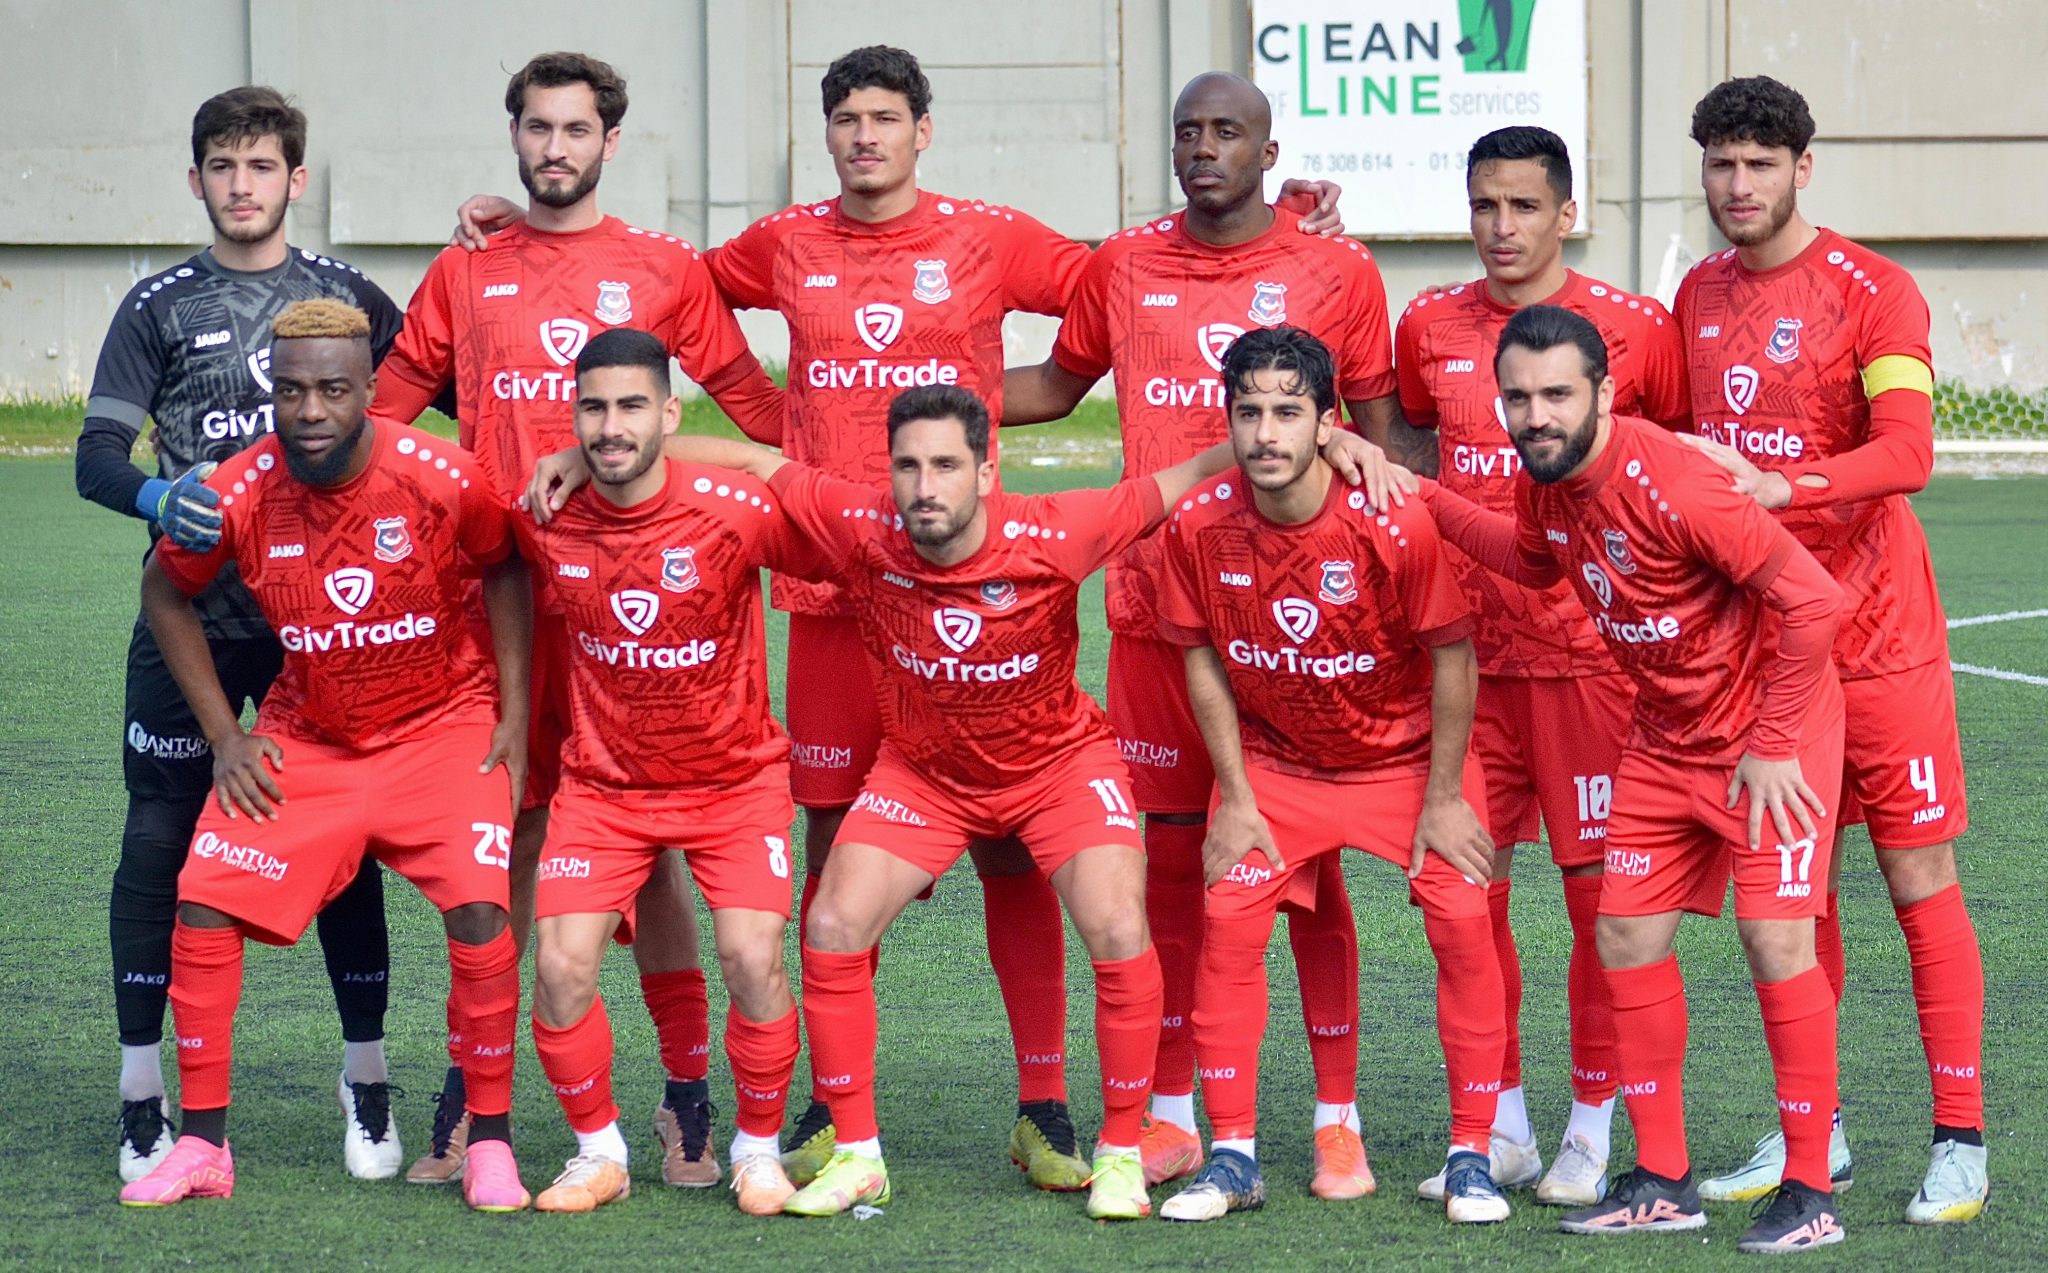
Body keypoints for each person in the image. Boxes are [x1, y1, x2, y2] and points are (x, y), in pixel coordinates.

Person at [479, 45, 1346, 1191]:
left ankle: (1042, 1102)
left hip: (970, 575)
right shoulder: (783, 242)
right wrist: (534, 233)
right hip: (837, 578)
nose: (864, 137)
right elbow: (661, 283)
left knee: (1012, 844)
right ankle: (833, 1108)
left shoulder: (990, 237)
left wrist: (1274, 232)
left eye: (885, 117)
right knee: (833, 849)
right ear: (826, 133)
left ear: (921, 131)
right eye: (845, 118)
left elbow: (1129, 277)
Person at [372, 51, 777, 1187]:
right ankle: (476, 1092)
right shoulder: (467, 267)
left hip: (640, 613)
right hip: (494, 612)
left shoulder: (661, 266)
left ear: (610, 141)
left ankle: (686, 1094)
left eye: (576, 129)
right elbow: (387, 418)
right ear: (514, 136)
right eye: (538, 128)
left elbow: (756, 411)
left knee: (654, 850)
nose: (555, 148)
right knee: (499, 844)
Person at [999, 72, 1403, 1193]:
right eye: (1188, 131)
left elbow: (1381, 432)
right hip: (1153, 609)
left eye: (1227, 132)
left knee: (1308, 867)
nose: (1204, 148)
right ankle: (1173, 1110)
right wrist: (918, 393)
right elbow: (1055, 384)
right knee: (1174, 861)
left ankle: (1335, 1116)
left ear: (1269, 153)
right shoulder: (1123, 263)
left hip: (1293, 621)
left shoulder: (1336, 268)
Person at [1424, 304, 1850, 1253]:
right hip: (1664, 735)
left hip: (1770, 739)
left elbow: (1815, 602)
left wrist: (1774, 740)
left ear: (1605, 393)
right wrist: (1418, 493)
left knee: (1775, 940)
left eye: (1557, 394)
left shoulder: (1678, 482)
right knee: (1623, 934)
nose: (1535, 415)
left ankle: (1812, 1189)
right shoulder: (1544, 482)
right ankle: (1663, 1180)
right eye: (1518, 397)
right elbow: (1530, 565)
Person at [120, 299, 533, 1213]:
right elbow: (164, 591)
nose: (311, 409)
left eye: (334, 390)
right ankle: (203, 1143)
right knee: (202, 900)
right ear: (272, 389)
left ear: (370, 390)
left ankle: (490, 1143)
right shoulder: (237, 489)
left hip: (442, 727)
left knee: (480, 910)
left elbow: (506, 564)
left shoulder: (439, 473)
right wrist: (226, 735)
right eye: (293, 389)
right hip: (310, 735)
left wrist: (513, 714)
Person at [1672, 75, 1988, 1224]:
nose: (1737, 183)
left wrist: (1781, 483)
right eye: (1720, 162)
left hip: (1880, 638)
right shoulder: (1693, 295)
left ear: (1800, 169)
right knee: (1792, 898)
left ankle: (1960, 1137)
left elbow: (1907, 453)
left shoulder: (1872, 290)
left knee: (1916, 879)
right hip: (1769, 654)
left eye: (1758, 162)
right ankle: (1818, 1132)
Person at [74, 86, 397, 1185]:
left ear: (296, 179)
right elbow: (97, 458)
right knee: (158, 843)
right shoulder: (157, 305)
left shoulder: (348, 296)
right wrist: (160, 500)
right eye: (223, 165)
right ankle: (142, 1094)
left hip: (327, 623)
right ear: (196, 178)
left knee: (345, 843)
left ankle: (367, 1078)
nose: (242, 184)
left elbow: (440, 389)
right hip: (194, 619)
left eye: (262, 165)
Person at [1386, 125, 1689, 1205]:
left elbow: (1674, 466)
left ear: (1567, 212)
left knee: (1599, 909)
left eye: (1523, 206)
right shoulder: (1425, 324)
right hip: (1464, 668)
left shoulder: (1637, 328)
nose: (1501, 227)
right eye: (1484, 205)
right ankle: (1499, 1125)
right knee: (1462, 901)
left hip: (1593, 666)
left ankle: (1591, 1130)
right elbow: (1410, 457)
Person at [1153, 326, 1510, 1225]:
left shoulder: (1390, 516)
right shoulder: (1197, 522)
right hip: (1277, 765)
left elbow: (1453, 655)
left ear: (1327, 425)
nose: (1265, 432)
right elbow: (1199, 657)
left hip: (1404, 761)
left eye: (1287, 412)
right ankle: (1233, 1154)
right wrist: (1236, 795)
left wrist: (1443, 796)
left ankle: (1471, 1154)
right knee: (1228, 919)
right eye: (1248, 413)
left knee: (1463, 917)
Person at [511, 330, 817, 1217]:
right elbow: (484, 568)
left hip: (734, 781)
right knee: (560, 967)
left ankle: (756, 1149)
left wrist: (731, 457)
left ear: (671, 413)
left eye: (632, 406)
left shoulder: (734, 509)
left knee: (752, 955)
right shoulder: (545, 515)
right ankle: (599, 1151)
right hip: (604, 788)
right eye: (594, 410)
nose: (611, 426)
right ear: (573, 417)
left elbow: (808, 498)